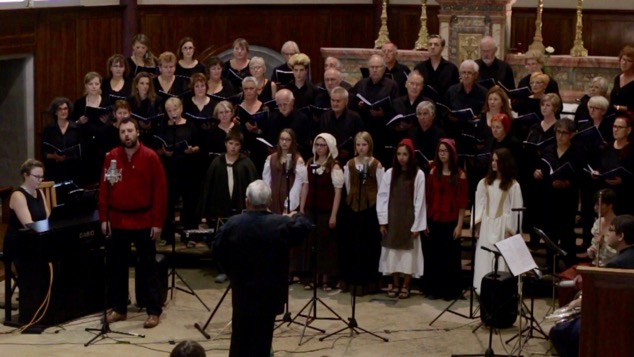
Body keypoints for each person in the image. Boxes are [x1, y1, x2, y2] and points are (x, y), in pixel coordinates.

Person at [213, 180, 313, 357]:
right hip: (270, 293)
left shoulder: (234, 224)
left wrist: (231, 271)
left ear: (247, 202)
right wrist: (295, 216)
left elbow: (217, 249)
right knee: (263, 339)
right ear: (269, 201)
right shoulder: (280, 224)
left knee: (239, 338)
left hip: (242, 290)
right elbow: (305, 226)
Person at [99, 117, 167, 329]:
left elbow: (160, 192)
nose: (126, 135)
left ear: (138, 132)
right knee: (117, 268)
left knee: (148, 268)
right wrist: (104, 217)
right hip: (118, 220)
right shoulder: (111, 156)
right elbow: (104, 190)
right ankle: (119, 308)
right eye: (123, 132)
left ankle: (153, 310)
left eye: (130, 131)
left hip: (144, 220)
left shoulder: (151, 157)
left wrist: (157, 222)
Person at [549, 214, 634, 357]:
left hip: (613, 320)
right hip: (626, 316)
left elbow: (604, 299)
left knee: (559, 331)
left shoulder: (617, 264)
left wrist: (578, 301)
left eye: (611, 230)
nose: (607, 233)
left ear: (621, 236)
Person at [377, 138, 426, 299]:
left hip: (409, 219)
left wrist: (417, 225)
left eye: (405, 154)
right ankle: (395, 283)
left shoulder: (418, 175)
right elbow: (382, 197)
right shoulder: (390, 173)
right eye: (399, 154)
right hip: (393, 218)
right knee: (393, 253)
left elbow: (420, 200)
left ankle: (406, 285)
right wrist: (383, 220)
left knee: (408, 255)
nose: (402, 157)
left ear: (411, 156)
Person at [534, 119, 585, 268]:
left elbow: (581, 176)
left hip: (567, 198)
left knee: (567, 232)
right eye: (558, 132)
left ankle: (570, 264)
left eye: (564, 133)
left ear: (571, 135)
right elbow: (541, 169)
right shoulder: (547, 150)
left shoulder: (577, 153)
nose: (560, 136)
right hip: (549, 197)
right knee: (549, 232)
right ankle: (551, 265)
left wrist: (567, 183)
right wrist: (537, 173)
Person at [472, 147, 523, 293]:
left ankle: (500, 292)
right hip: (487, 226)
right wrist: (478, 222)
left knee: (501, 261)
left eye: (497, 161)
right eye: (492, 160)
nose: (494, 164)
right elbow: (479, 203)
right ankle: (483, 289)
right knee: (485, 258)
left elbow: (516, 208)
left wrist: (510, 230)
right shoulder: (484, 183)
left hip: (503, 228)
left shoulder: (513, 185)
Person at [424, 139, 468, 300]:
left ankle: (449, 290)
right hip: (434, 217)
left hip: (451, 220)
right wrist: (425, 221)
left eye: (445, 151)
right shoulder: (433, 172)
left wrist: (459, 225)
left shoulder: (460, 174)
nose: (442, 154)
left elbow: (462, 202)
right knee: (434, 256)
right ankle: (434, 289)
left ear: (452, 153)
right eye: (440, 151)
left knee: (449, 257)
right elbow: (427, 198)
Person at [341, 131, 385, 294]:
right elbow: (348, 186)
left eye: (364, 144)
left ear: (370, 146)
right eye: (358, 145)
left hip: (370, 210)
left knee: (369, 246)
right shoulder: (350, 164)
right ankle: (353, 281)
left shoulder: (376, 165)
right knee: (354, 246)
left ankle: (369, 282)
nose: (361, 148)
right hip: (353, 209)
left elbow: (381, 189)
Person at [155, 97, 201, 246]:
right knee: (168, 203)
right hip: (169, 169)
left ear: (181, 109)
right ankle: (167, 235)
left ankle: (190, 236)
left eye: (175, 109)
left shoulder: (191, 126)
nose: (172, 113)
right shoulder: (162, 127)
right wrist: (163, 151)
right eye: (169, 111)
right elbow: (157, 147)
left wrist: (192, 149)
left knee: (189, 203)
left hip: (188, 169)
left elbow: (199, 145)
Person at [300, 133, 343, 291]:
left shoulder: (334, 166)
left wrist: (333, 215)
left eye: (322, 145)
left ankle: (325, 279)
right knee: (311, 243)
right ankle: (312, 277)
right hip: (311, 209)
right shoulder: (310, 163)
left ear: (329, 147)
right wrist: (302, 208)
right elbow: (305, 186)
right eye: (317, 145)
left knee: (325, 245)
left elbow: (337, 192)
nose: (319, 148)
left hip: (326, 211)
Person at [350, 54, 399, 163]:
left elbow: (396, 108)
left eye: (378, 67)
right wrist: (359, 105)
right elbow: (352, 103)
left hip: (382, 131)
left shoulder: (391, 85)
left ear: (384, 68)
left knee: (379, 162)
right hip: (364, 128)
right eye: (372, 67)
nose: (375, 70)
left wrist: (383, 113)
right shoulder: (361, 84)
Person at [4, 159, 50, 264]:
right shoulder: (18, 195)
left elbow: (47, 218)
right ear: (26, 175)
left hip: (34, 238)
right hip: (19, 241)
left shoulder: (40, 192)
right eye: (37, 177)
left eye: (42, 177)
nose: (40, 180)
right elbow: (29, 226)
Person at [70, 71, 112, 185]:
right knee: (86, 176)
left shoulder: (106, 101)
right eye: (91, 84)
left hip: (102, 142)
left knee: (101, 175)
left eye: (96, 84)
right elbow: (72, 123)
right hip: (85, 143)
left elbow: (112, 122)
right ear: (85, 86)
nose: (94, 87)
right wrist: (79, 121)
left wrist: (107, 121)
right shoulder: (80, 102)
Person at [591, 113, 634, 215]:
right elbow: (600, 166)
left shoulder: (632, 150)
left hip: (625, 196)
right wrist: (597, 172)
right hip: (606, 194)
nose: (615, 130)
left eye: (620, 127)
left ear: (628, 130)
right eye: (614, 126)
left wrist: (623, 181)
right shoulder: (607, 147)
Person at [262, 128, 308, 214]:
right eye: (282, 139)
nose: (284, 142)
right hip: (273, 199)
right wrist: (266, 201)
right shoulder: (271, 158)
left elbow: (299, 184)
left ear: (292, 142)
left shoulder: (298, 160)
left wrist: (290, 203)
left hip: (290, 198)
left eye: (288, 140)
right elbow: (266, 182)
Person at [443, 60, 487, 143]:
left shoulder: (483, 92)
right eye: (463, 73)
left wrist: (479, 117)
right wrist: (450, 117)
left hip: (474, 134)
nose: (466, 76)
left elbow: (485, 113)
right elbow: (445, 111)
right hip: (454, 133)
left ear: (476, 75)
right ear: (460, 75)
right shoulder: (451, 91)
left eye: (469, 73)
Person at [317, 86, 365, 163]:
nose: (335, 104)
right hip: (328, 159)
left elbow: (361, 139)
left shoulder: (355, 117)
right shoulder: (324, 117)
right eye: (333, 100)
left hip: (350, 160)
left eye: (338, 101)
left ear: (346, 101)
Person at [41, 97, 83, 184]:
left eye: (65, 109)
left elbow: (81, 149)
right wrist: (55, 156)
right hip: (55, 171)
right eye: (60, 109)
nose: (63, 111)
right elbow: (44, 152)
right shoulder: (49, 129)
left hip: (73, 170)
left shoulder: (76, 128)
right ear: (55, 112)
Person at [261, 89, 311, 159]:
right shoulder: (272, 119)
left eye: (285, 104)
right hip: (275, 157)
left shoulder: (302, 119)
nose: (282, 107)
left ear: (292, 102)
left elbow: (305, 144)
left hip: (295, 157)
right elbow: (267, 138)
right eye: (279, 105)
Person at [413, 34, 459, 104]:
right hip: (424, 106)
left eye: (436, 45)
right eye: (430, 44)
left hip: (444, 106)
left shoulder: (451, 68)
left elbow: (455, 91)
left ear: (442, 47)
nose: (432, 47)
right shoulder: (419, 68)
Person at [407, 100, 445, 174]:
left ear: (433, 115)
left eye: (425, 114)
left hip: (434, 170)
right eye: (419, 114)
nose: (422, 117)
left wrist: (434, 163)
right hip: (414, 170)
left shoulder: (440, 134)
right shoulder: (411, 133)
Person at [128, 71, 162, 146]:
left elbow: (160, 118)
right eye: (142, 83)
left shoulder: (157, 100)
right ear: (136, 85)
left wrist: (151, 124)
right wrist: (138, 123)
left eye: (147, 84)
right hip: (136, 134)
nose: (145, 86)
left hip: (153, 134)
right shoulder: (130, 100)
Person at [586, 188, 618, 266]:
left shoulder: (618, 224)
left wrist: (603, 244)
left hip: (611, 265)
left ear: (610, 205)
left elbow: (618, 253)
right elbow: (594, 245)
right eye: (595, 204)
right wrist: (591, 251)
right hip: (596, 264)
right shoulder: (598, 222)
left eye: (599, 204)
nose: (595, 207)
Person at [609, 45, 634, 112]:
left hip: (629, 116)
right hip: (613, 113)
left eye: (629, 61)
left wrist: (618, 108)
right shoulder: (617, 78)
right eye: (623, 59)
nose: (624, 63)